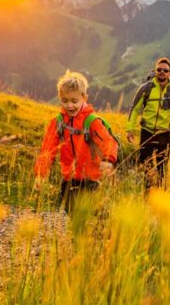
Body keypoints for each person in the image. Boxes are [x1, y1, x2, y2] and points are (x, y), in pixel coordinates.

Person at [34, 70, 118, 213]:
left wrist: (108, 159)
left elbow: (109, 142)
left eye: (74, 101)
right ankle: (80, 234)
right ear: (60, 98)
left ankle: (103, 232)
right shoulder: (58, 122)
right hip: (69, 177)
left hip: (91, 178)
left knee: (95, 211)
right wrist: (41, 174)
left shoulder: (92, 122)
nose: (69, 106)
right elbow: (48, 150)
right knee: (71, 210)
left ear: (84, 98)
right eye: (65, 101)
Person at [127, 57, 170, 189]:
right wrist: (130, 129)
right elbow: (135, 109)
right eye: (159, 69)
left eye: (165, 70)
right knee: (146, 166)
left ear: (169, 73)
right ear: (155, 71)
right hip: (146, 132)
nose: (162, 72)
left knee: (162, 168)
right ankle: (147, 192)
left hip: (164, 134)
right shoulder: (145, 89)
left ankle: (160, 193)